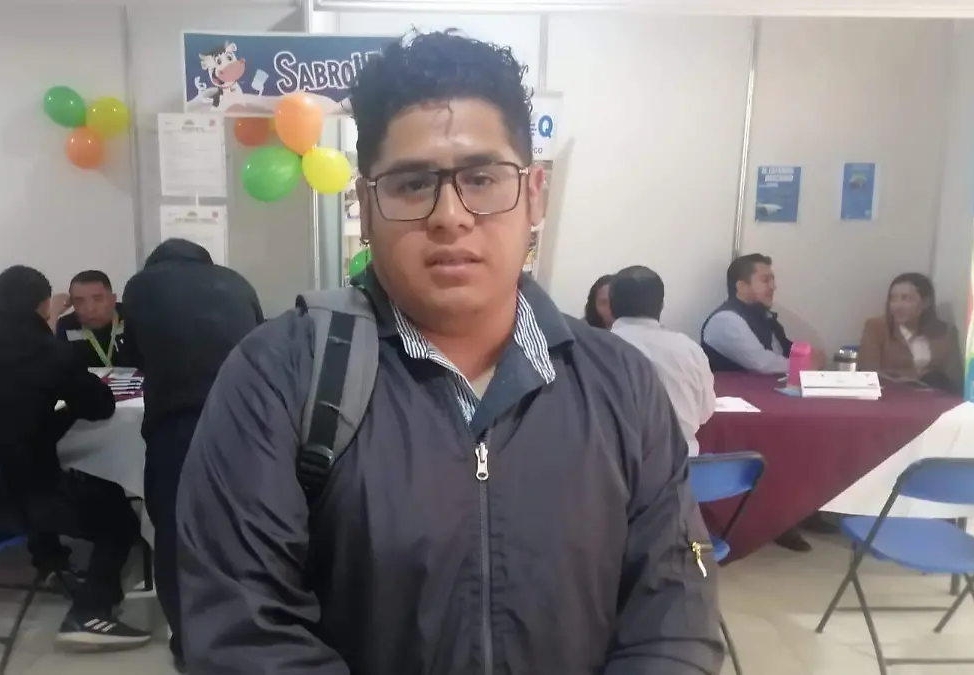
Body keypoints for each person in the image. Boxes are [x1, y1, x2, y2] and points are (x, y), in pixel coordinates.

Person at [176, 30, 722, 675]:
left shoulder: (621, 384)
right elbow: (243, 633)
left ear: (535, 194)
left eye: (482, 178)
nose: (451, 216)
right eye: (412, 184)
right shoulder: (279, 375)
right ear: (366, 206)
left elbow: (672, 615)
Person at [0, 265, 150, 648]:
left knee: (29, 463)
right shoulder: (46, 350)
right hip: (16, 501)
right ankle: (91, 613)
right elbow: (100, 406)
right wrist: (64, 410)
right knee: (117, 515)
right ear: (46, 305)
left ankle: (51, 563)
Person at [121, 238, 263, 672]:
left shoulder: (141, 286)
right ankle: (247, 632)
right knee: (242, 530)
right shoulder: (236, 282)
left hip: (178, 423)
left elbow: (134, 355)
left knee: (174, 532)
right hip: (246, 423)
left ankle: (188, 645)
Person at [700, 254, 826, 551]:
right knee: (782, 447)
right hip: (738, 413)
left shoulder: (761, 316)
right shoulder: (726, 320)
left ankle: (802, 509)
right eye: (765, 279)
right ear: (741, 286)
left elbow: (787, 354)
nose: (773, 286)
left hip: (768, 403)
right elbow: (763, 364)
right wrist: (807, 364)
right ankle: (778, 520)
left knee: (810, 438)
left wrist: (806, 360)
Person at [610, 266, 714, 456]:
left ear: (611, 304)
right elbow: (705, 412)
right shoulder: (689, 349)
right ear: (661, 304)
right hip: (683, 464)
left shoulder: (595, 348)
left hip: (615, 463)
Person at [858, 272, 963, 393]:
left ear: (926, 302)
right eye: (893, 299)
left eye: (905, 299)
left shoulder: (945, 331)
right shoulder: (876, 327)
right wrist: (916, 380)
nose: (897, 306)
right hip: (892, 394)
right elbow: (868, 373)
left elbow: (955, 378)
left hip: (935, 396)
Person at [55, 270, 132, 369]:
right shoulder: (66, 326)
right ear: (71, 302)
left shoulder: (132, 318)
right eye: (79, 301)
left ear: (113, 300)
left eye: (97, 299)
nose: (90, 308)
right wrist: (53, 313)